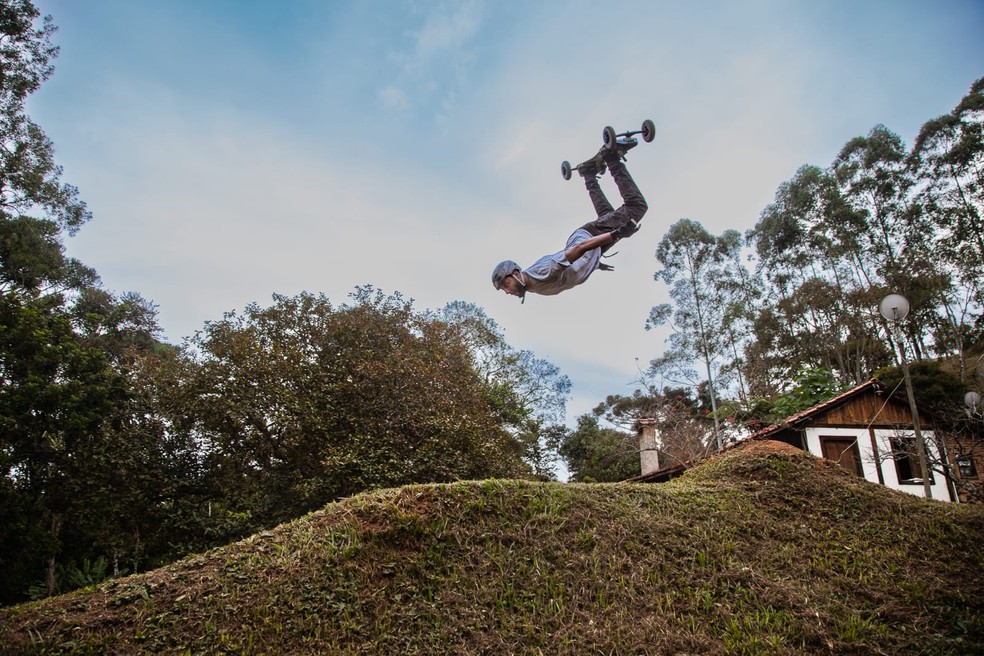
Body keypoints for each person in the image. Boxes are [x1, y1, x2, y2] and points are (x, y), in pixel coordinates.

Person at [491, 141, 648, 302]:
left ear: (516, 274)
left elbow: (579, 248)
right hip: (591, 249)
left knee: (636, 207)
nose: (507, 291)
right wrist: (595, 264)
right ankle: (588, 175)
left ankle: (612, 158)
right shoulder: (534, 284)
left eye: (506, 284)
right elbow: (568, 270)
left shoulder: (542, 271)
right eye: (504, 289)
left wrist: (617, 234)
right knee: (608, 215)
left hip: (586, 239)